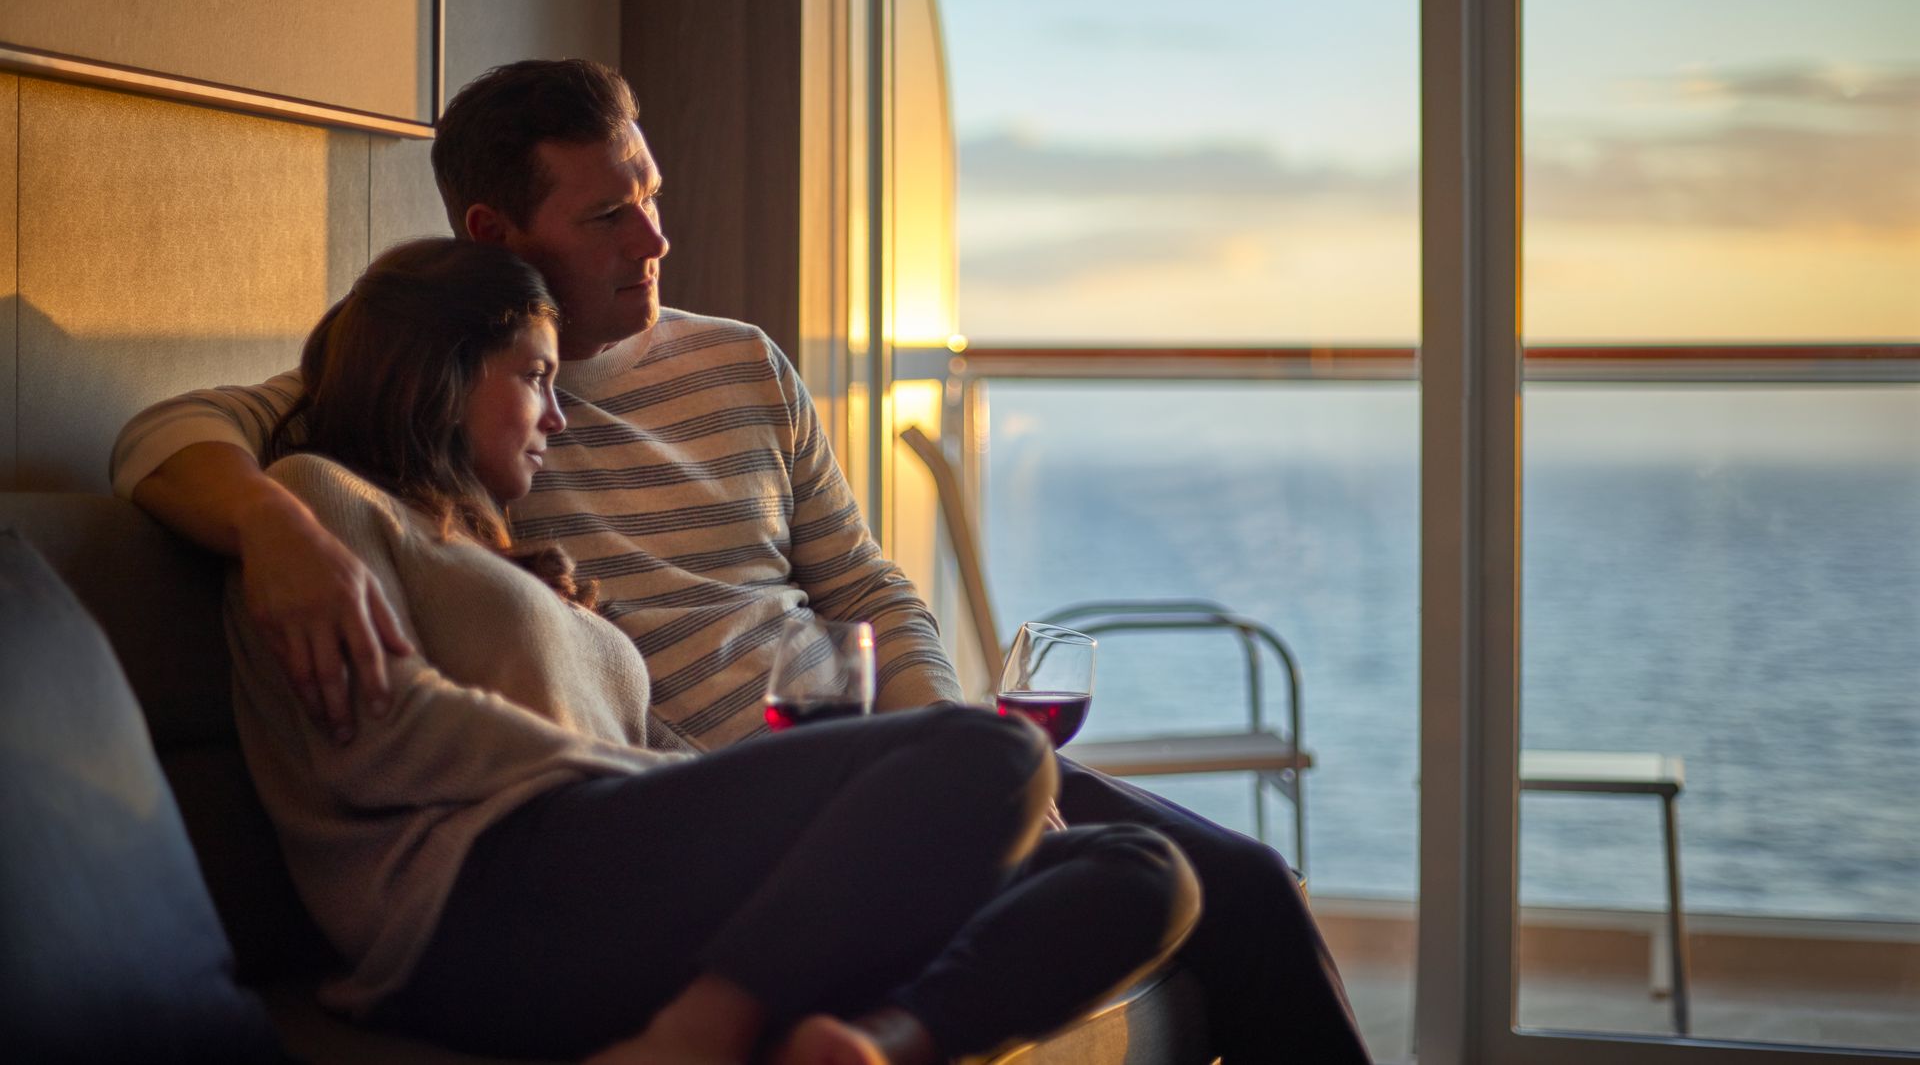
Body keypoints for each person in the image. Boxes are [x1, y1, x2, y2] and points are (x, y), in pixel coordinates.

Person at [112, 58, 1372, 1063]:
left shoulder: (743, 364)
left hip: (883, 757)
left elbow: (866, 582)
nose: (653, 238)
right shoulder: (432, 396)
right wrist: (275, 526)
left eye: (649, 192)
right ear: (497, 231)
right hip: (702, 802)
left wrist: (926, 727)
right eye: (607, 214)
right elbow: (166, 436)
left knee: (1234, 884)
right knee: (1003, 786)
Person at [230, 235, 1199, 1064]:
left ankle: (868, 1044)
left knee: (1142, 867)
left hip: (618, 877)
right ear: (434, 374)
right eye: (534, 377)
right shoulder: (320, 502)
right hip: (474, 908)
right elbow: (387, 730)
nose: (558, 419)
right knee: (990, 752)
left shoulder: (517, 563)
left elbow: (653, 759)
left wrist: (767, 809)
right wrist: (716, 793)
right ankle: (698, 1034)